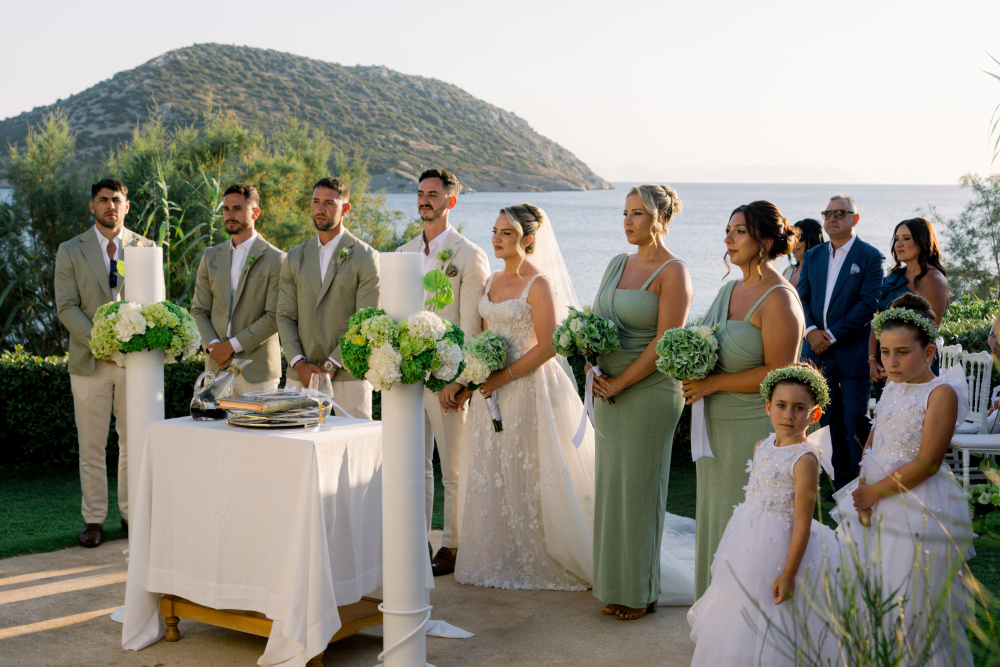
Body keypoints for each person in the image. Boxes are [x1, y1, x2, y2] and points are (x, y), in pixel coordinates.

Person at [451, 204, 594, 591]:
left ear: (528, 239)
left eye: (506, 233)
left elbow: (548, 346)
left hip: (529, 388)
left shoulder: (539, 284)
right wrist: (474, 380)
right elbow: (484, 339)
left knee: (528, 469)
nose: (496, 239)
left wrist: (503, 377)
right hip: (489, 392)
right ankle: (499, 555)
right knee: (494, 467)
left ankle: (536, 554)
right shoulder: (492, 280)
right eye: (495, 231)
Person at [834, 294, 974, 665]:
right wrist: (862, 488)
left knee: (910, 598)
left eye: (901, 353)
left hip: (916, 503)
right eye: (884, 352)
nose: (891, 362)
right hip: (872, 498)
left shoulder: (940, 393)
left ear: (928, 352)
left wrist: (874, 493)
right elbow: (874, 440)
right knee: (870, 591)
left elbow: (928, 462)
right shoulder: (894, 385)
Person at [683, 200, 805, 599]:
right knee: (714, 515)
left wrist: (714, 384)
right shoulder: (728, 290)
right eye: (728, 230)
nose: (728, 239)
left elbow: (780, 372)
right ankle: (710, 614)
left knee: (744, 524)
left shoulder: (779, 298)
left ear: (765, 241)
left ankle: (743, 614)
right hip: (714, 426)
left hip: (751, 428)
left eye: (739, 232)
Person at [688, 364, 839, 666]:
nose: (788, 415)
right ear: (768, 407)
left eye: (799, 408)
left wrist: (789, 573)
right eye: (781, 405)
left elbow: (802, 523)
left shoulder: (805, 461)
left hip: (783, 546)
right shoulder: (762, 446)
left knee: (776, 609)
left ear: (814, 415)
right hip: (747, 538)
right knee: (741, 600)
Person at [590, 184, 693, 620]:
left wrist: (620, 384)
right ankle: (614, 583)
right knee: (612, 489)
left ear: (659, 218)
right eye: (625, 212)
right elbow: (594, 322)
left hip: (649, 393)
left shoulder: (674, 272)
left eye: (637, 213)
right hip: (607, 392)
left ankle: (640, 591)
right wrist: (590, 361)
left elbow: (664, 342)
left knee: (640, 491)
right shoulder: (617, 263)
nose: (628, 221)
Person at [396, 168, 490, 576]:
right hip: (406, 377)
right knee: (414, 465)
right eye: (420, 193)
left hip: (447, 377)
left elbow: (471, 325)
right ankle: (416, 541)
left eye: (432, 194)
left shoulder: (468, 255)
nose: (424, 200)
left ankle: (452, 544)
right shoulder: (402, 252)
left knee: (453, 468)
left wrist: (462, 380)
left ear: (450, 201)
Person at [54, 178, 155, 547]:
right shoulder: (70, 250)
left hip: (135, 364)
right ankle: (94, 520)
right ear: (92, 206)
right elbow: (66, 306)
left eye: (116, 200)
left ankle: (131, 515)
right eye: (102, 200)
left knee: (132, 442)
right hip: (89, 362)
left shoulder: (146, 248)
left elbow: (154, 302)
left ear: (126, 206)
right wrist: (101, 342)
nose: (110, 205)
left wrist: (129, 346)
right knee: (92, 445)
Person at [797, 194, 884, 490]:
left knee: (855, 418)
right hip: (817, 354)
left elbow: (868, 303)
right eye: (827, 214)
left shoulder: (870, 256)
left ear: (854, 219)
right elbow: (801, 297)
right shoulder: (813, 255)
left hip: (852, 353)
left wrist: (831, 336)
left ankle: (862, 482)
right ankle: (839, 484)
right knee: (827, 419)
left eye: (839, 213)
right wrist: (810, 330)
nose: (832, 219)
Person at [276, 177, 379, 417]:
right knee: (295, 438)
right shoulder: (295, 257)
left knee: (354, 441)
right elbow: (285, 316)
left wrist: (331, 365)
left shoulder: (366, 256)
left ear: (346, 209)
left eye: (329, 203)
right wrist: (299, 364)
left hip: (349, 375)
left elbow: (366, 319)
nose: (320, 209)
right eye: (316, 202)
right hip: (301, 376)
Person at [191, 183, 285, 394]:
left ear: (255, 213)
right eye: (226, 209)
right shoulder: (210, 256)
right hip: (216, 367)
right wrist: (215, 348)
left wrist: (231, 347)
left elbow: (274, 316)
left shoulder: (276, 259)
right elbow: (199, 310)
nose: (230, 214)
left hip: (258, 372)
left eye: (237, 208)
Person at [868, 217, 948, 382]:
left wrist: (898, 368)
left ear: (922, 242)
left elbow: (929, 332)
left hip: (917, 366)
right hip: (887, 363)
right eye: (897, 239)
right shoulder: (893, 278)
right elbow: (877, 323)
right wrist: (873, 360)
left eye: (906, 238)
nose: (898, 244)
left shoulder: (934, 280)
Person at [783, 218, 824, 288]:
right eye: (792, 238)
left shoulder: (821, 274)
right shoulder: (788, 272)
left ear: (813, 240)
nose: (795, 242)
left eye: (800, 237)